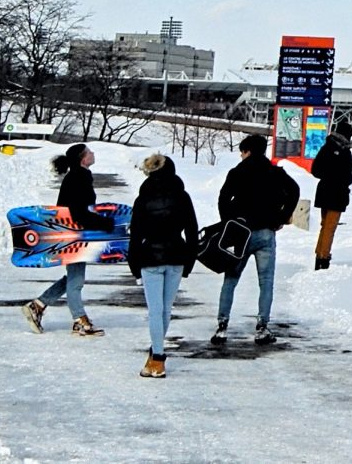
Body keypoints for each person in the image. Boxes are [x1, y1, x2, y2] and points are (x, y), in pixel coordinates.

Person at [213, 131, 300, 345]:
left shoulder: (237, 172)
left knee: (231, 279)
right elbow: (294, 191)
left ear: (247, 151)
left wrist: (229, 223)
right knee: (266, 281)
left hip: (240, 233)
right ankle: (262, 328)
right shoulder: (275, 172)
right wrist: (281, 216)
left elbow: (223, 199)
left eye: (242, 152)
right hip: (265, 232)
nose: (241, 156)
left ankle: (222, 326)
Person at [23, 143, 113, 336]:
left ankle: (38, 305)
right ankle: (79, 321)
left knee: (74, 278)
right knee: (76, 280)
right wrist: (103, 223)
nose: (93, 154)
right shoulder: (78, 178)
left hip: (73, 234)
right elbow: (78, 212)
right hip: (73, 234)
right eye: (89, 152)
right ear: (83, 158)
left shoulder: (78, 176)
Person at [124, 153, 199, 378]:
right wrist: (189, 261)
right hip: (177, 255)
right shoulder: (183, 196)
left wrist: (134, 264)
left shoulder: (143, 199)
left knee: (155, 310)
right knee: (166, 309)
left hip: (150, 258)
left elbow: (135, 235)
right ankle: (154, 355)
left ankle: (157, 358)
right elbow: (192, 231)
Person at [311, 127, 352, 270]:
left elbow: (315, 170)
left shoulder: (325, 148)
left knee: (325, 225)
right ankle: (324, 257)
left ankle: (319, 254)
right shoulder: (346, 152)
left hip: (324, 191)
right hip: (338, 193)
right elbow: (348, 177)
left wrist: (327, 176)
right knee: (330, 227)